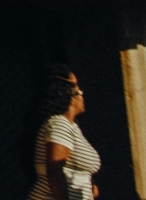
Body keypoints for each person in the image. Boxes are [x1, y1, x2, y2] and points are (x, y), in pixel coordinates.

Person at [30, 69, 98, 200]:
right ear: (70, 97)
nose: (83, 96)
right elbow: (54, 171)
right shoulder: (59, 124)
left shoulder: (72, 126)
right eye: (79, 92)